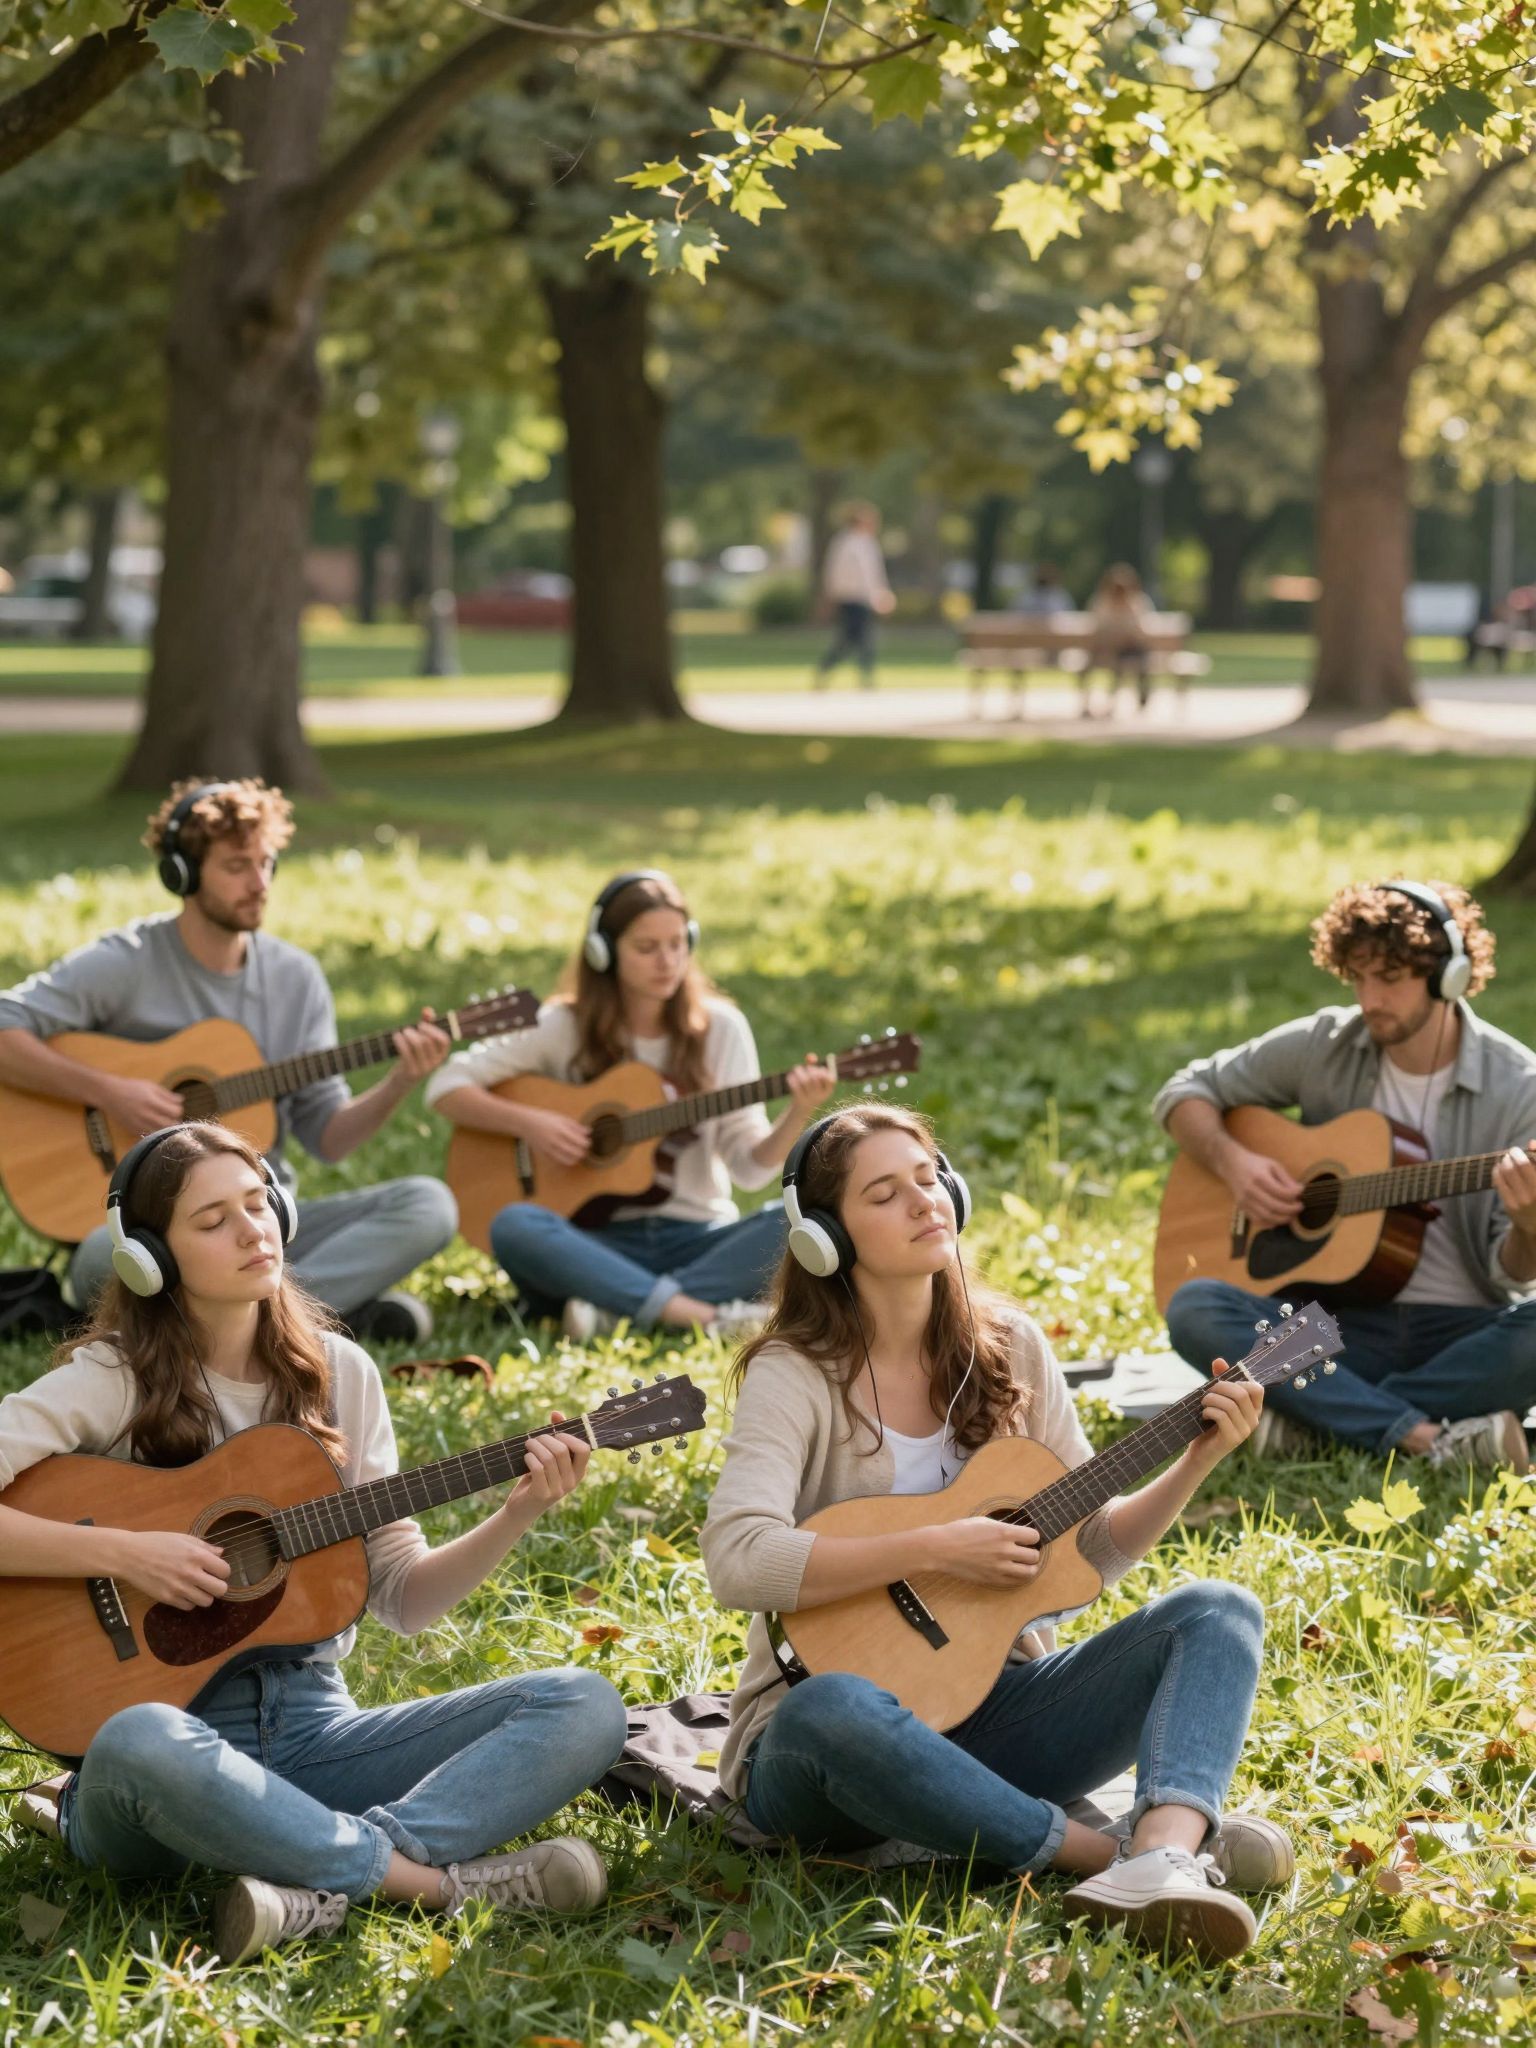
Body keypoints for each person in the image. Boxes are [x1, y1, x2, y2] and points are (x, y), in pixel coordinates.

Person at [0, 1122, 626, 1965]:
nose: (252, 1230)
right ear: (149, 1255)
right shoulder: (114, 1379)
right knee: (141, 1738)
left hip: (311, 1732)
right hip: (155, 1762)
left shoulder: (339, 1374)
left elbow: (403, 1595)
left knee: (583, 1703)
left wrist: (516, 1511)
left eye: (259, 1204)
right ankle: (431, 1886)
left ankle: (306, 1875)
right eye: (212, 1219)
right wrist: (123, 1554)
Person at [701, 1103, 1292, 1964]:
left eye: (929, 1176)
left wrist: (1197, 1459)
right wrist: (936, 1548)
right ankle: (1108, 1856)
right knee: (837, 1710)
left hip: (990, 1710)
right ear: (825, 1237)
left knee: (1218, 1612)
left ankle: (1164, 1854)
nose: (924, 1200)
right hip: (817, 1738)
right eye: (885, 1193)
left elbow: (1092, 1550)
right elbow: (737, 1560)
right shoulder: (795, 1374)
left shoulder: (1008, 1344)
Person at [0, 780, 458, 1341]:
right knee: (98, 1259)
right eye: (238, 866)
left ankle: (243, 1325)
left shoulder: (295, 979)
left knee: (428, 1205)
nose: (259, 883)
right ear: (182, 874)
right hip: (157, 1230)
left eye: (267, 864)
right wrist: (109, 1092)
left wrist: (401, 1079)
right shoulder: (126, 962)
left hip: (263, 1220)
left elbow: (329, 1138)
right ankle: (317, 1316)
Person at [1160, 880, 1536, 1470]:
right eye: (1357, 977)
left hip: (1461, 1336)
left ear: (1449, 976)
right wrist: (1238, 1165)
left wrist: (1529, 1227)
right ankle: (1429, 1440)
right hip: (1328, 1331)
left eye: (1388, 978)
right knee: (1194, 1307)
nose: (1369, 998)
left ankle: (1319, 1423)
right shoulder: (1326, 1043)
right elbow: (1185, 1092)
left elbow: (1512, 1271)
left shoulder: (1520, 1088)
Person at [428, 869, 836, 1339]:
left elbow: (747, 1167)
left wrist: (797, 1111)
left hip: (699, 1236)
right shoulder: (563, 1024)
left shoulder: (720, 1028)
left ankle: (616, 1308)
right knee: (514, 1224)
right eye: (646, 948)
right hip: (592, 1243)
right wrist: (533, 1123)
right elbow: (447, 1085)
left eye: (678, 944)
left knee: (809, 1213)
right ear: (603, 953)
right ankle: (703, 1315)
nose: (667, 961)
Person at [815, 503, 895, 689]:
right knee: (853, 640)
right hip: (850, 598)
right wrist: (832, 596)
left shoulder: (868, 544)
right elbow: (835, 573)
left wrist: (881, 594)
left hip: (865, 599)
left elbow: (874, 575)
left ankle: (863, 676)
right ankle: (830, 669)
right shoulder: (845, 543)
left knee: (862, 639)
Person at [1087, 562, 1155, 715]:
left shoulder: (1137, 602)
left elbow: (1141, 631)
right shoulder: (1103, 602)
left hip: (1130, 648)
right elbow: (1098, 628)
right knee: (1114, 660)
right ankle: (1111, 699)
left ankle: (1137, 696)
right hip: (1107, 649)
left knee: (1137, 660)